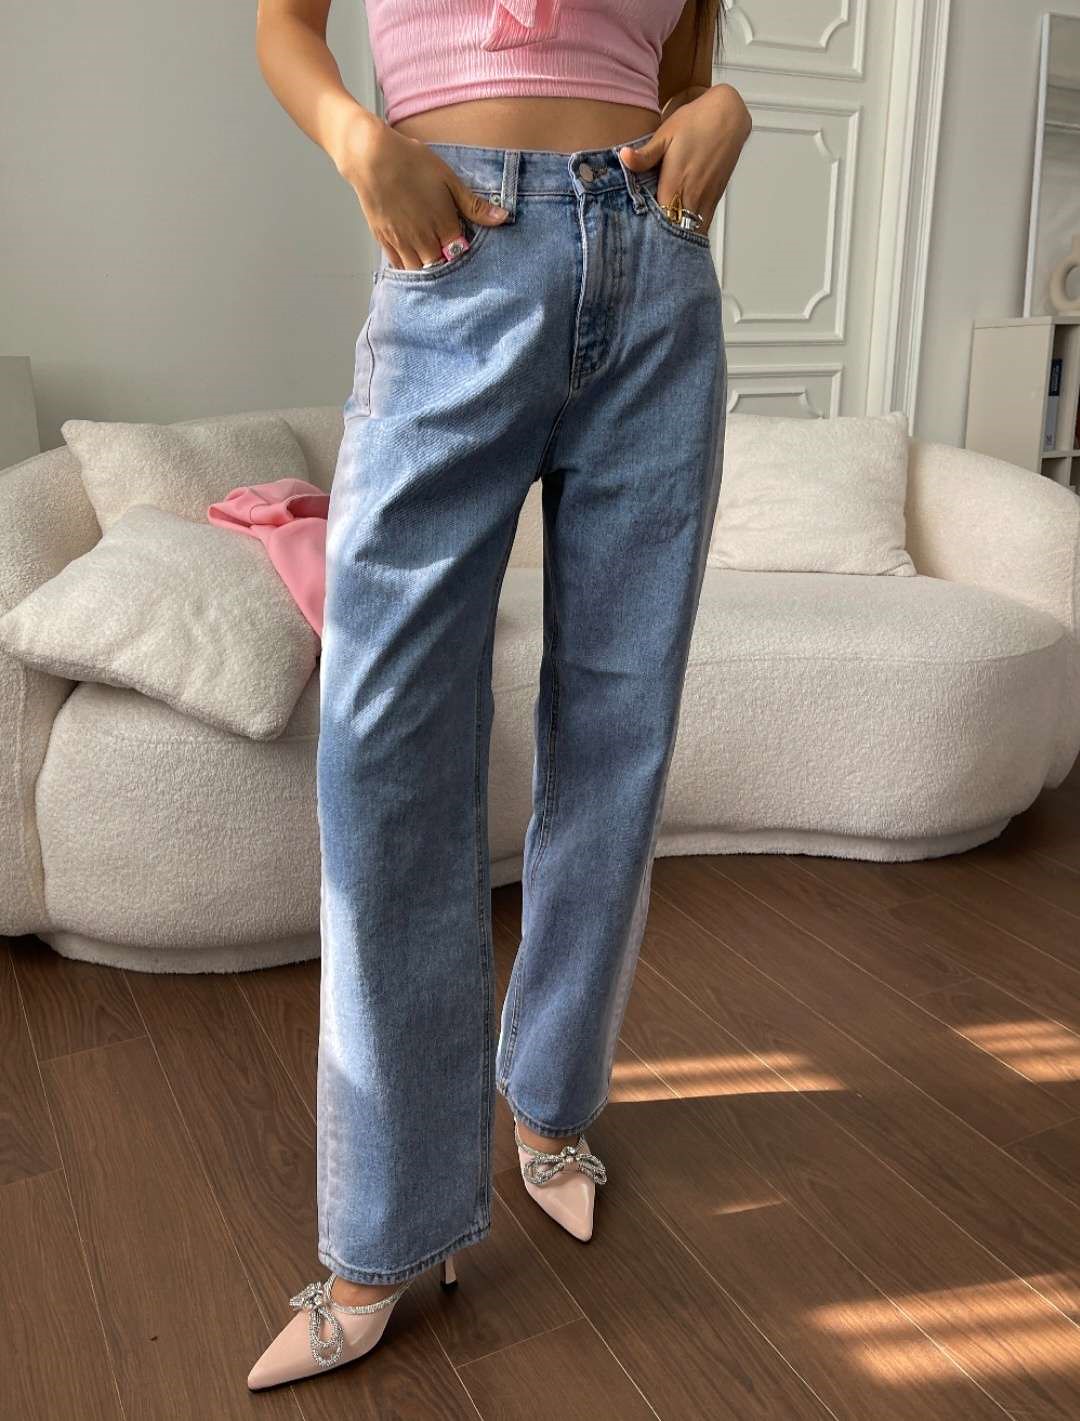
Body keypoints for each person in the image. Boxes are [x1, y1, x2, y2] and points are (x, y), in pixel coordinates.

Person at [248, 0, 751, 1390]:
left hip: (656, 269)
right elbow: (284, 24)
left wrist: (724, 113)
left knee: (620, 725)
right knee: (383, 747)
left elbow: (679, 73)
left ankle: (552, 1099)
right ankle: (383, 1234)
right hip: (453, 249)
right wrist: (359, 141)